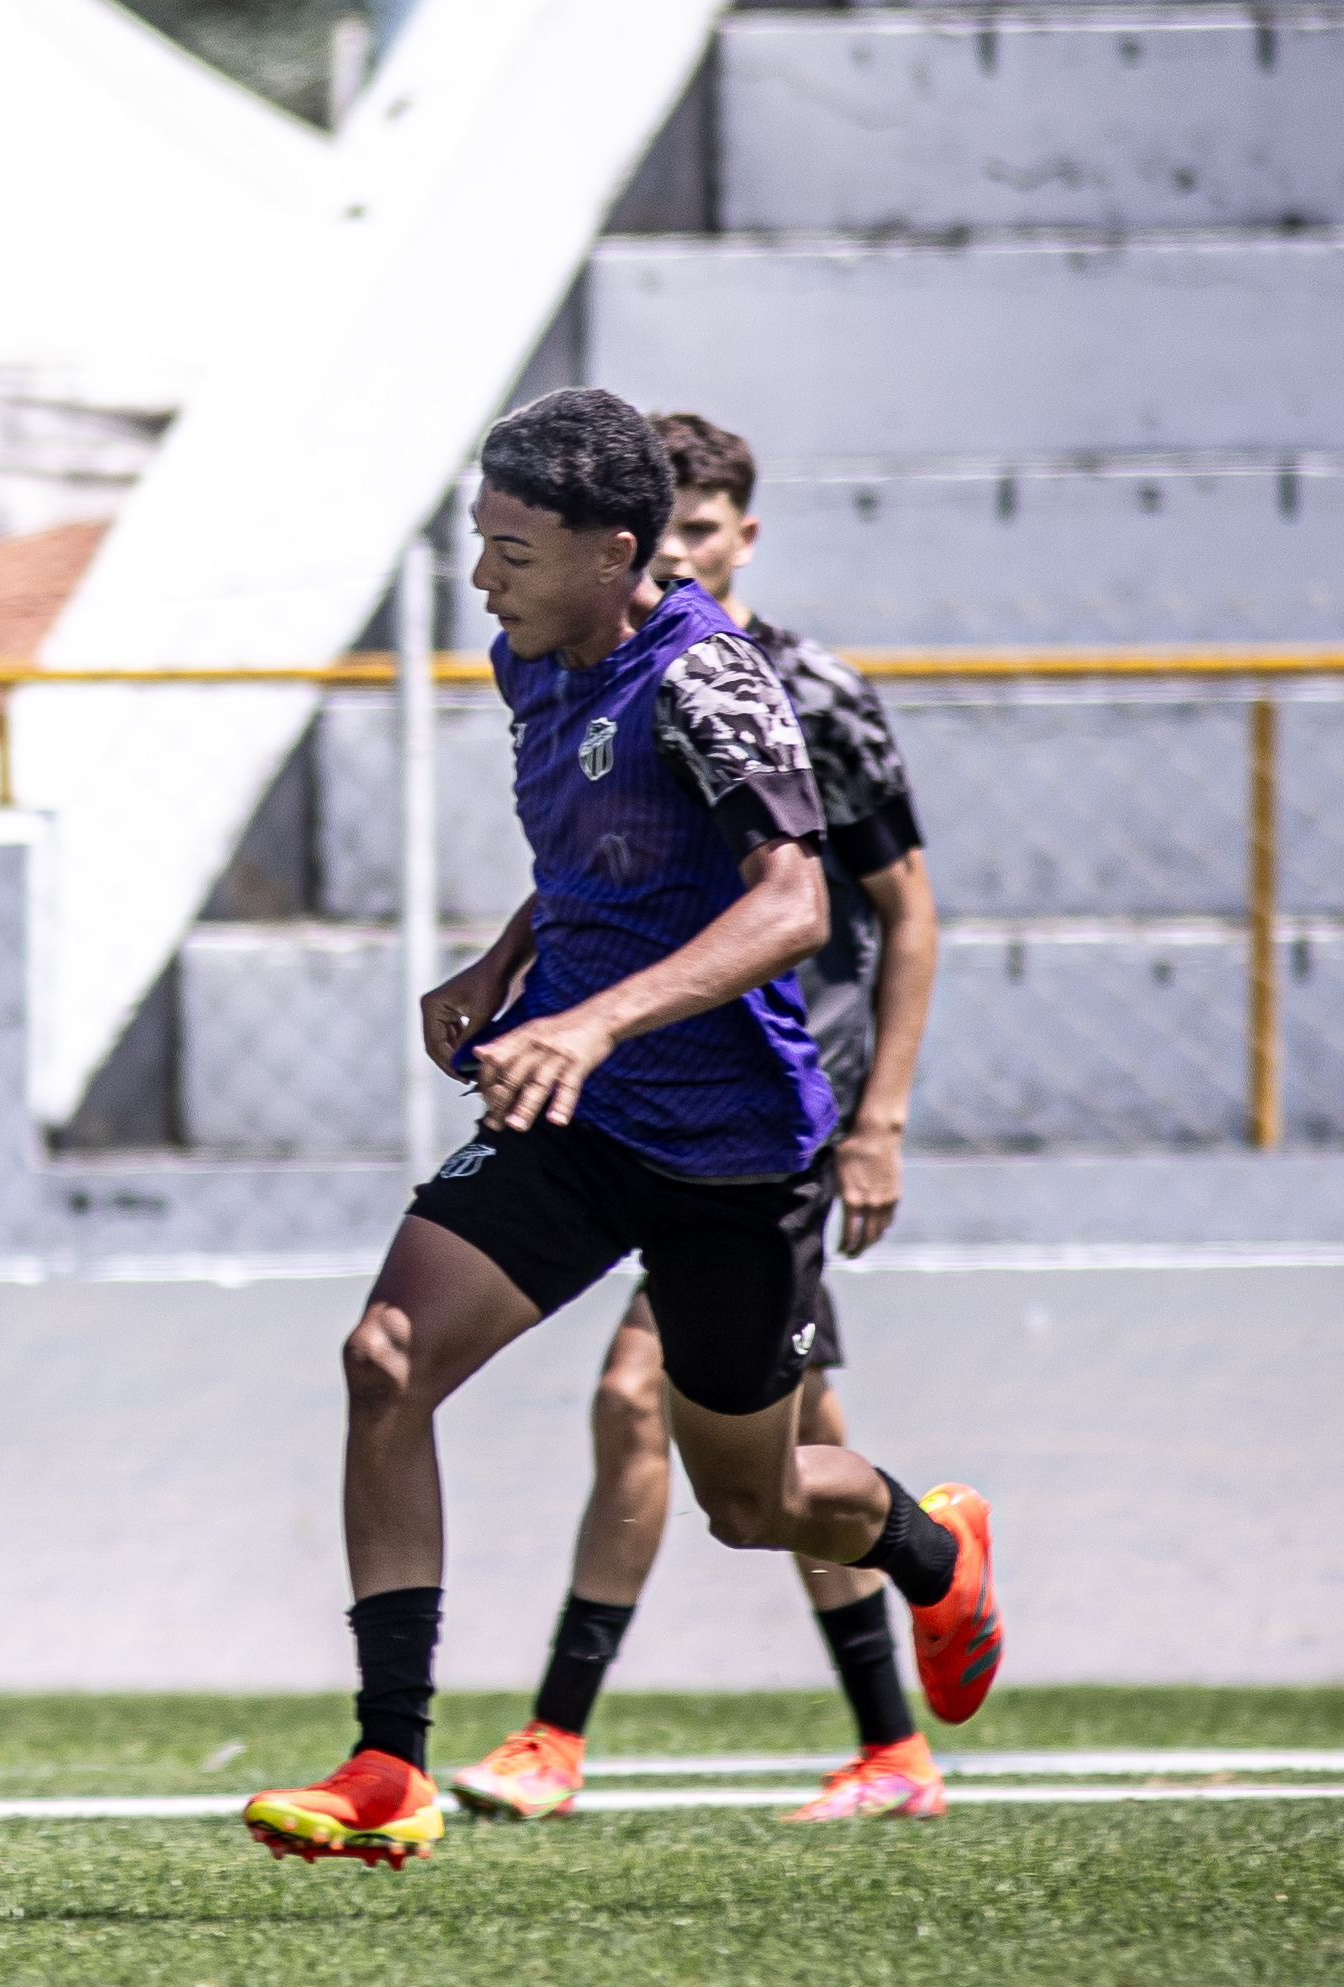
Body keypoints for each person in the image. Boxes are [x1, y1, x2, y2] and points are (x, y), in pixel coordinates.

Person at [242, 390, 997, 1869]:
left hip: (730, 1150)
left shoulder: (710, 680)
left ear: (617, 549)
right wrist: (508, 964)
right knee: (384, 1359)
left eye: (511, 550)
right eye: (480, 542)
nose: (482, 577)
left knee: (752, 1500)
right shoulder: (533, 652)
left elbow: (793, 903)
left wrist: (590, 1018)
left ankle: (931, 1543)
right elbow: (606, 849)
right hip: (577, 1114)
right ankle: (388, 1765)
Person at [449, 410, 952, 1828]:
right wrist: (512, 964)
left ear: (738, 533)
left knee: (652, 1411)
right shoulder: (582, 672)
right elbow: (615, 863)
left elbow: (891, 910)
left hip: (764, 1108)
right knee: (775, 1463)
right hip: (639, 1086)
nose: (681, 558)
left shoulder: (797, 692)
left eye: (703, 535)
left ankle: (556, 1732)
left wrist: (882, 1116)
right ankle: (893, 1738)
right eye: (666, 539)